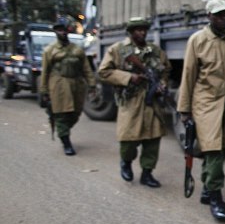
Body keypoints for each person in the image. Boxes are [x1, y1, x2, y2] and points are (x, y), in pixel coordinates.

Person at [177, 0, 225, 222]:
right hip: (206, 104)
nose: (222, 18)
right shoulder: (197, 40)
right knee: (214, 150)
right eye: (218, 15)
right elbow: (188, 75)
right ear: (209, 16)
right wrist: (184, 109)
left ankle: (207, 188)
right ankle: (216, 197)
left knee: (221, 148)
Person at [98, 17, 171, 188]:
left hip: (151, 101)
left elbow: (166, 69)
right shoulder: (118, 49)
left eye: (144, 29)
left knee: (153, 139)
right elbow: (103, 72)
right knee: (128, 139)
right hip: (130, 100)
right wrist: (129, 77)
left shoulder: (154, 50)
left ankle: (147, 173)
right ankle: (126, 162)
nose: (142, 32)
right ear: (130, 32)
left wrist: (162, 84)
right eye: (138, 29)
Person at [40, 17, 96, 156]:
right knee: (61, 114)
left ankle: (63, 130)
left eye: (65, 29)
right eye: (60, 30)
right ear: (56, 32)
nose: (63, 32)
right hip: (59, 84)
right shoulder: (50, 50)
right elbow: (45, 71)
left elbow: (86, 68)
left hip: (76, 84)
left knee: (75, 113)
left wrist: (92, 84)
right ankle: (66, 142)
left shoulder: (77, 49)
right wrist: (44, 91)